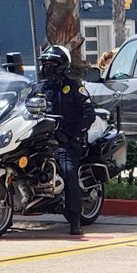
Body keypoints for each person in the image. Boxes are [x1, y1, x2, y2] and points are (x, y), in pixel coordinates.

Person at [34, 45, 95, 236]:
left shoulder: (75, 87)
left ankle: (75, 218)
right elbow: (23, 108)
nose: (48, 67)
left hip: (67, 142)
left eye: (53, 63)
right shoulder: (39, 88)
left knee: (68, 171)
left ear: (62, 65)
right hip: (41, 140)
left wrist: (73, 135)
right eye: (46, 64)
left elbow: (89, 113)